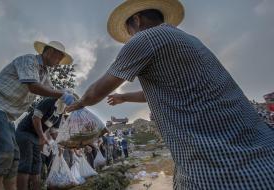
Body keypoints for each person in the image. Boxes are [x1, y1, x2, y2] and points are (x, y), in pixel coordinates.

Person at [66, 0, 274, 189]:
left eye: (129, 31)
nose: (130, 37)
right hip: (264, 159)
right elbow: (169, 89)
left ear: (137, 20)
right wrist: (124, 97)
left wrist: (79, 104)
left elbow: (97, 91)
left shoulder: (145, 39)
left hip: (219, 171)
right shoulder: (188, 39)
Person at [0, 40, 74, 190]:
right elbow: (33, 87)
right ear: (49, 52)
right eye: (58, 58)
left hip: (6, 116)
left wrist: (74, 100)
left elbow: (52, 92)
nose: (59, 62)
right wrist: (62, 93)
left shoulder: (44, 73)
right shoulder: (29, 60)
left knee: (14, 159)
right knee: (2, 154)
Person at [16, 96, 74, 190]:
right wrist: (42, 136)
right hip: (25, 132)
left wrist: (62, 144)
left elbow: (54, 132)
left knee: (37, 166)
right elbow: (36, 118)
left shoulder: (59, 113)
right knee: (26, 164)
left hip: (36, 137)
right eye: (69, 105)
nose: (68, 109)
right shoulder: (49, 101)